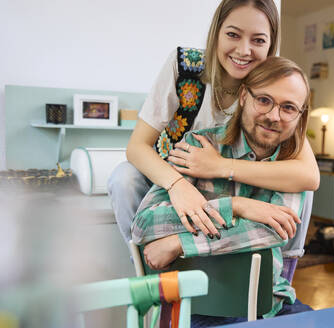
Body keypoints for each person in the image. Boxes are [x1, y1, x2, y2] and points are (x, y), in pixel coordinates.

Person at [107, 0, 319, 257]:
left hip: (230, 184)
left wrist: (220, 169)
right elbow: (137, 147)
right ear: (216, 33)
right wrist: (177, 186)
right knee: (124, 178)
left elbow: (309, 176)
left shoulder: (270, 91)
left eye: (258, 40)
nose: (244, 50)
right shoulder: (185, 67)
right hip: (173, 177)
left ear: (271, 45)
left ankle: (280, 277)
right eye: (233, 34)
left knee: (299, 189)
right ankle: (148, 268)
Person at [132, 56, 312, 321]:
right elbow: (144, 225)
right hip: (201, 304)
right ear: (243, 97)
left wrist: (179, 242)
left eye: (288, 108)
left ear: (300, 115)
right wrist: (237, 207)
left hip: (271, 304)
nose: (274, 116)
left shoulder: (292, 166)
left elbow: (273, 230)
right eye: (264, 100)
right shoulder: (197, 145)